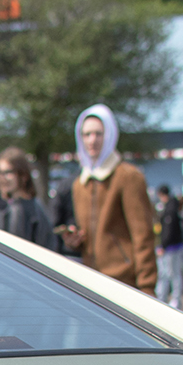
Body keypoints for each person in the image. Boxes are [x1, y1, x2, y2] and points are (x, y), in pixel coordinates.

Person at [63, 104, 157, 292]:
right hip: (91, 284)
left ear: (110, 134)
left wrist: (147, 288)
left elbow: (143, 236)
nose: (92, 140)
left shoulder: (128, 176)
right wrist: (73, 241)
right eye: (86, 134)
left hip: (124, 283)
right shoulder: (80, 184)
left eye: (99, 133)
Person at [0, 147, 54, 248]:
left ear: (23, 175)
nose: (3, 178)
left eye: (8, 172)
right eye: (0, 172)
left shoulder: (23, 209)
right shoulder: (14, 206)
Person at [154, 184, 183, 309]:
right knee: (170, 274)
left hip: (170, 247)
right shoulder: (173, 207)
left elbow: (168, 230)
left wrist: (163, 246)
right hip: (174, 246)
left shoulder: (169, 209)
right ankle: (168, 299)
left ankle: (175, 300)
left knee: (171, 274)